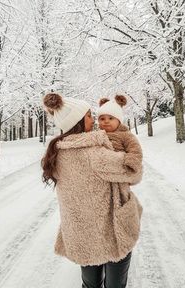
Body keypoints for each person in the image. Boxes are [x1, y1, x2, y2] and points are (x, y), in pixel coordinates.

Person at [41, 93, 143, 288]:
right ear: (78, 121)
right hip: (111, 232)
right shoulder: (93, 153)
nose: (94, 119)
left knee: (90, 284)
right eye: (89, 115)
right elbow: (134, 173)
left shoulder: (57, 152)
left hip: (80, 233)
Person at [97, 95, 143, 250]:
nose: (106, 121)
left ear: (119, 120)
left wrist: (131, 162)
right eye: (102, 118)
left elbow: (135, 151)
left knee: (121, 208)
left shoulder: (126, 135)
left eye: (110, 118)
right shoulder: (97, 135)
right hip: (101, 179)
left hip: (120, 178)